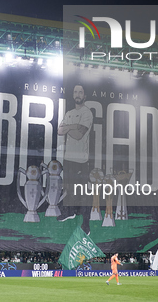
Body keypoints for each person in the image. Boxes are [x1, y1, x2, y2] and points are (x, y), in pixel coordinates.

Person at [58, 84, 93, 234]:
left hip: (81, 161)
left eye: (81, 92)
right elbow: (60, 131)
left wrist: (68, 127)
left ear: (85, 96)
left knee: (83, 194)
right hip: (68, 159)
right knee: (68, 189)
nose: (78, 94)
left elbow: (80, 135)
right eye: (75, 91)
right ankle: (69, 212)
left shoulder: (87, 113)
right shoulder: (69, 113)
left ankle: (86, 224)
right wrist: (74, 126)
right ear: (73, 95)